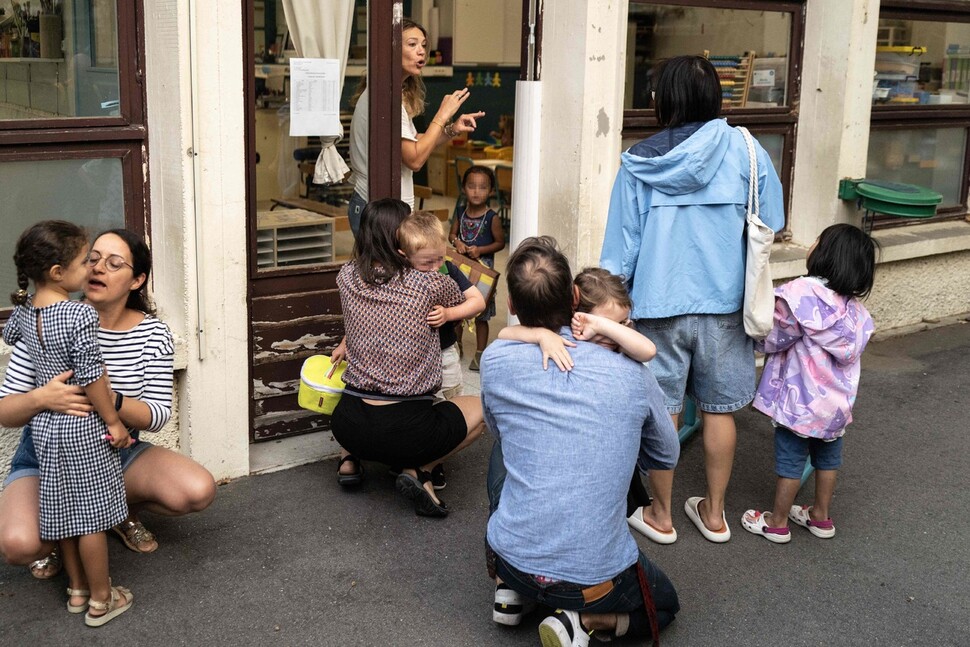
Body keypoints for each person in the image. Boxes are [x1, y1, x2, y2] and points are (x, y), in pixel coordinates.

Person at [600, 55, 785, 543]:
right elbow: (773, 221)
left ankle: (661, 515)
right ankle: (716, 513)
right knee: (718, 411)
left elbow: (620, 251)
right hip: (727, 305)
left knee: (663, 412)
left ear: (664, 101)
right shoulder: (748, 150)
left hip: (657, 307)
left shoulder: (640, 161)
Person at [482, 237, 679, 646]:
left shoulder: (495, 360)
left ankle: (512, 589)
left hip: (511, 557)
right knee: (665, 605)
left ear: (513, 305)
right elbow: (665, 452)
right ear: (574, 297)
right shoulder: (631, 371)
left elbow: (499, 431)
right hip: (596, 580)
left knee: (507, 445)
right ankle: (587, 622)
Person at [0, 229, 216, 580]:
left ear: (137, 280)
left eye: (114, 263)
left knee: (197, 490)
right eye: (93, 259)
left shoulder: (152, 334)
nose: (98, 269)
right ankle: (66, 531)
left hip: (114, 450)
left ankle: (113, 513)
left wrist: (106, 398)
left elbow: (157, 415)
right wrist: (42, 397)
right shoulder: (47, 319)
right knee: (19, 545)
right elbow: (5, 411)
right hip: (46, 455)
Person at [3, 221, 134, 626]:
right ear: (58, 273)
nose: (91, 269)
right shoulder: (77, 313)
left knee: (62, 513)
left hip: (45, 428)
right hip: (81, 427)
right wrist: (113, 421)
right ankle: (101, 599)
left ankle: (76, 591)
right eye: (84, 261)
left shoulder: (25, 310)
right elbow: (93, 376)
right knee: (92, 518)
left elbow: (10, 335)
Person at [499, 267, 677, 545]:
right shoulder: (567, 344)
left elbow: (648, 350)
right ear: (577, 317)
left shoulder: (619, 346)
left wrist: (603, 326)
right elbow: (667, 451)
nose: (615, 335)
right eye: (609, 324)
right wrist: (541, 335)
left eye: (624, 325)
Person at [329, 199, 484, 517]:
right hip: (405, 431)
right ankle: (419, 469)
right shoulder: (428, 281)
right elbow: (472, 300)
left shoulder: (346, 276)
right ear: (401, 241)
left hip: (347, 423)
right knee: (481, 410)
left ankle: (350, 458)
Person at [741, 224, 876, 543]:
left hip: (801, 402)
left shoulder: (802, 294)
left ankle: (776, 523)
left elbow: (774, 335)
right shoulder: (856, 314)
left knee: (791, 459)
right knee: (828, 459)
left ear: (826, 253)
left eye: (818, 240)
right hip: (836, 406)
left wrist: (755, 341)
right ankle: (820, 517)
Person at [346, 18, 485, 235]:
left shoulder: (387, 92)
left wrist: (451, 129)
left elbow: (414, 143)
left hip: (379, 207)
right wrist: (443, 114)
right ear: (391, 49)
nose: (421, 51)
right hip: (376, 210)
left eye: (423, 45)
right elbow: (415, 159)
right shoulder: (386, 98)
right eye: (412, 44)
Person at [398, 210, 485, 489]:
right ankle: (411, 455)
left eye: (439, 258)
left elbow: (477, 301)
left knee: (446, 404)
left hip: (445, 353)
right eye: (426, 262)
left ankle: (435, 461)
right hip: (411, 358)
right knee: (418, 408)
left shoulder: (447, 268)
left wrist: (449, 313)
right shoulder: (400, 277)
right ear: (404, 256)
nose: (435, 267)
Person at [449, 165, 506, 371]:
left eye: (482, 188)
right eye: (471, 186)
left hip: (483, 275)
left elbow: (500, 242)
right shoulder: (460, 213)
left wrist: (481, 249)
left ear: (490, 191)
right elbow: (452, 234)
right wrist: (457, 242)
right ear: (464, 188)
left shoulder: (492, 218)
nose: (476, 191)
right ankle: (457, 345)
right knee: (458, 310)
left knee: (481, 314)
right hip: (461, 271)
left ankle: (480, 352)